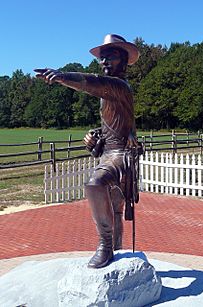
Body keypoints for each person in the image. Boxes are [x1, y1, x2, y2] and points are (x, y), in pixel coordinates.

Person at [35, 34, 140, 268]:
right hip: (109, 153)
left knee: (95, 183)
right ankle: (116, 251)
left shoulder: (119, 86)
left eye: (110, 57)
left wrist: (63, 77)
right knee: (113, 208)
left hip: (121, 156)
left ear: (123, 61)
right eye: (102, 58)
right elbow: (116, 127)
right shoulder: (109, 93)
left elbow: (91, 83)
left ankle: (105, 244)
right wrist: (96, 140)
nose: (104, 63)